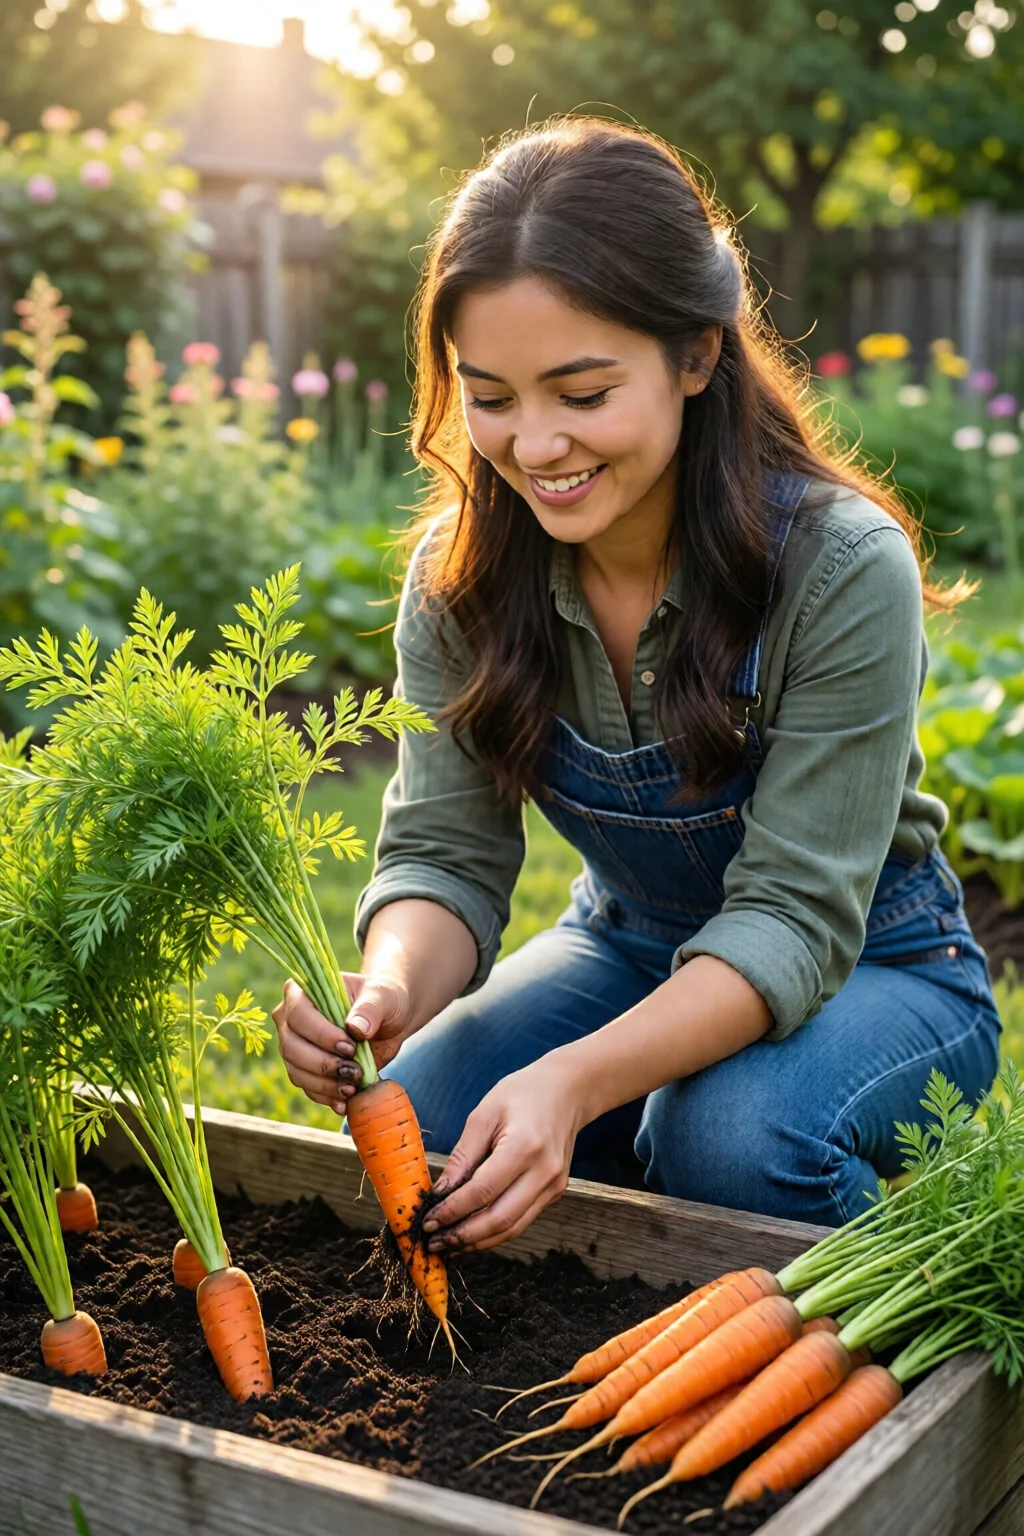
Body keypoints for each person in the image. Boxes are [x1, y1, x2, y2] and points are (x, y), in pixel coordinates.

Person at [273, 117, 1001, 1257]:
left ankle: (930, 1347)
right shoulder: (460, 576)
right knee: (421, 1116)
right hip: (629, 941)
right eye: (493, 396)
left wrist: (569, 1082)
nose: (535, 444)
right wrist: (389, 991)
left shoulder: (841, 567)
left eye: (582, 391)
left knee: (725, 1133)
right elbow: (444, 854)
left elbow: (791, 919)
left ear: (697, 355)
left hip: (880, 970)